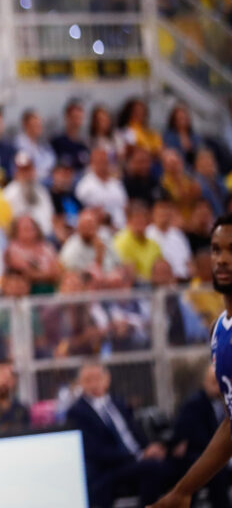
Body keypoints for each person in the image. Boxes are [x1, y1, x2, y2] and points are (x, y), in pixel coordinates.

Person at [150, 215, 232, 507]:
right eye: (216, 249)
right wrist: (183, 491)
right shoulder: (218, 329)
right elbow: (230, 424)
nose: (222, 259)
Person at [69, 360, 171, 508]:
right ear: (81, 383)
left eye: (97, 378)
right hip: (110, 469)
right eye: (88, 380)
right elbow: (96, 451)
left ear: (107, 379)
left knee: (182, 464)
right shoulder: (78, 412)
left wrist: (151, 448)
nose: (94, 384)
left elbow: (134, 431)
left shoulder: (118, 403)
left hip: (137, 459)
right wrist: (139, 456)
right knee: (151, 467)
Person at [166, 365, 231, 508]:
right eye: (213, 382)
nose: (217, 387)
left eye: (219, 382)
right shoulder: (194, 404)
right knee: (215, 471)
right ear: (205, 382)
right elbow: (196, 440)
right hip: (204, 455)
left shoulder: (225, 401)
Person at [78, 146, 130, 228]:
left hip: (121, 227)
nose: (102, 164)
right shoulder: (84, 186)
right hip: (98, 228)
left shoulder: (116, 184)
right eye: (99, 161)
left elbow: (125, 207)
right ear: (92, 163)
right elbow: (82, 212)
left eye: (104, 161)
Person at [53, 99, 92, 172]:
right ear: (67, 117)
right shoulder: (57, 142)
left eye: (79, 118)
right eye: (74, 117)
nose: (77, 121)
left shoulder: (84, 144)